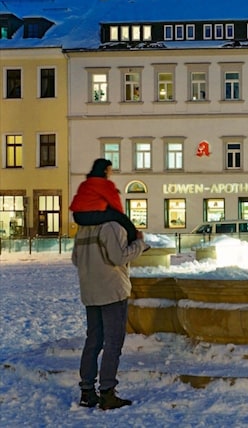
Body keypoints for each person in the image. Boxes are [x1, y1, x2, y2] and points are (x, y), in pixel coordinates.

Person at [72, 219, 149, 409]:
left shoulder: (84, 228)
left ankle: (87, 391)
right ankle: (107, 392)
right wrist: (139, 243)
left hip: (90, 291)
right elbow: (119, 256)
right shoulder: (112, 226)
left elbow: (76, 259)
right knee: (113, 342)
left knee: (93, 340)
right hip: (112, 290)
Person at [70, 158, 141, 245]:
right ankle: (135, 241)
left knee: (110, 212)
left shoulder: (85, 183)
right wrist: (122, 218)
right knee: (121, 218)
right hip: (90, 215)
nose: (111, 172)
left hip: (78, 216)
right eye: (110, 170)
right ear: (104, 171)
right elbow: (116, 205)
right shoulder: (106, 184)